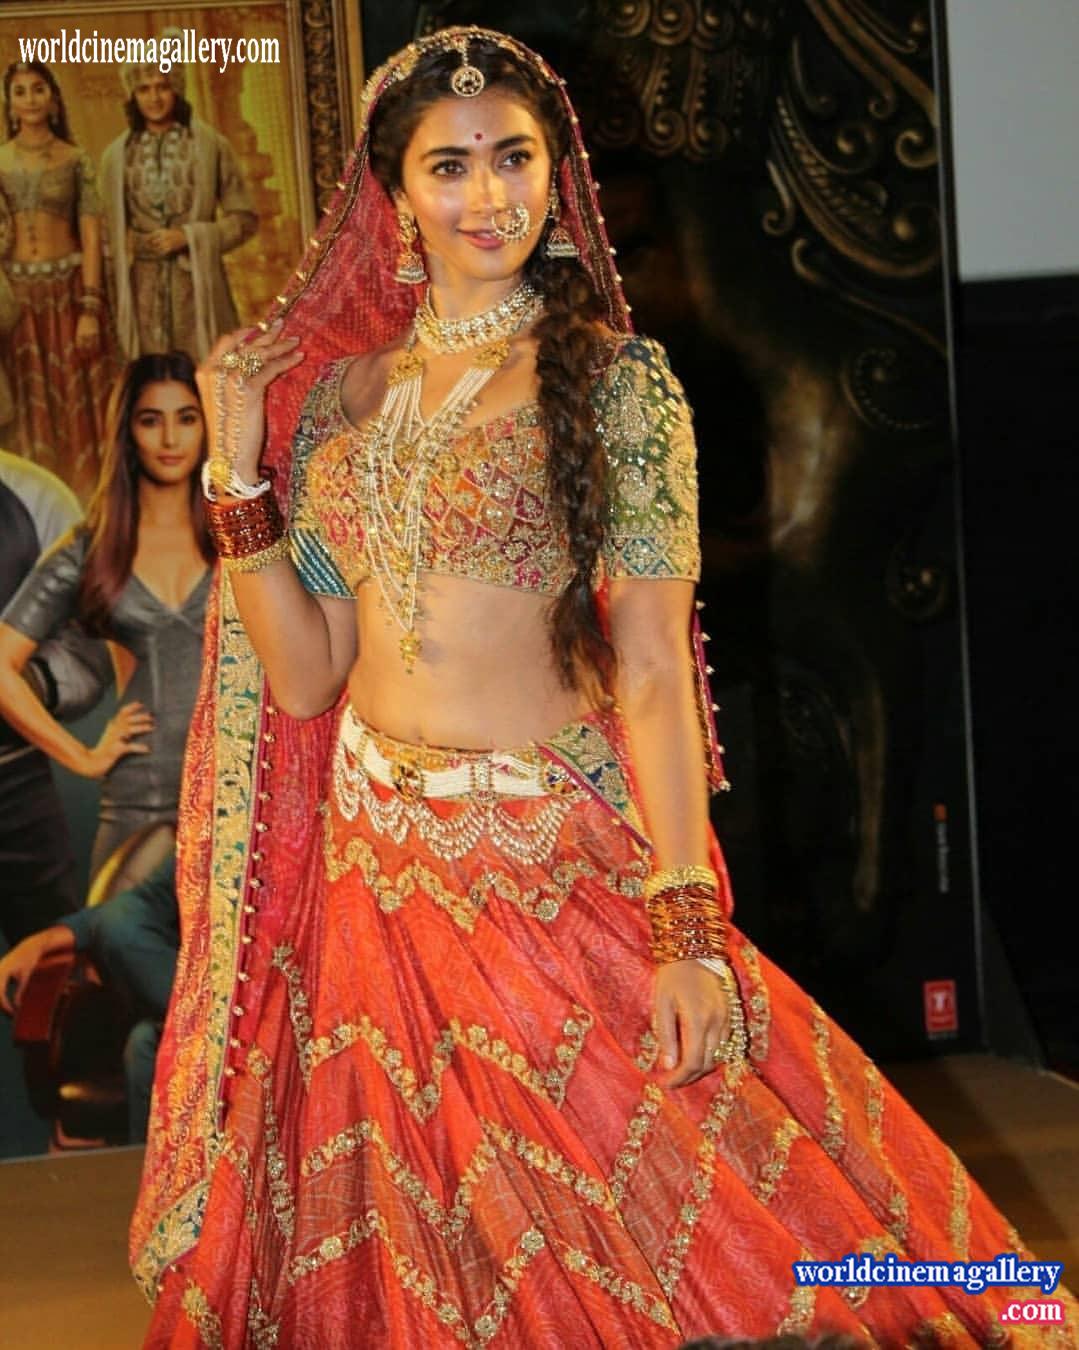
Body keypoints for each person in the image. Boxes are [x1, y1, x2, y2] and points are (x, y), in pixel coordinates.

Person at [132, 28, 1078, 1348]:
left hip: (541, 872)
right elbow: (303, 677)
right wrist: (236, 477)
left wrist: (685, 926)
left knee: (697, 1219)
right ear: (392, 195)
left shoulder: (616, 387)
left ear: (555, 171)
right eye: (449, 165)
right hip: (372, 893)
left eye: (514, 157)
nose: (488, 193)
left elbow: (649, 670)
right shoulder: (342, 402)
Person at [0, 352, 213, 880]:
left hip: (241, 787)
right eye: (151, 420)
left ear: (208, 425)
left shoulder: (238, 532)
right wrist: (84, 757)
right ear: (128, 433)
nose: (170, 439)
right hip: (139, 794)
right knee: (121, 933)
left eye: (187, 418)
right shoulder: (91, 549)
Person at [0, 449, 111, 946]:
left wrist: (29, 684)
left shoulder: (35, 497)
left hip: (14, 779)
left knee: (52, 960)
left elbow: (89, 646)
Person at [0, 852, 179, 1144]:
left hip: (256, 1014)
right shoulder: (210, 836)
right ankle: (156, 1173)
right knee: (144, 1045)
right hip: (199, 1010)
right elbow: (137, 905)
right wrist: (41, 942)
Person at [0, 61, 116, 502]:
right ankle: (34, 508)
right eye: (20, 91)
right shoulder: (0, 160)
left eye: (38, 89)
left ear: (52, 99)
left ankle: (88, 505)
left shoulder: (75, 159)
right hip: (16, 301)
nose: (29, 99)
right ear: (9, 104)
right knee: (27, 405)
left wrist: (90, 306)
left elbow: (91, 235)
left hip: (67, 296)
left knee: (75, 405)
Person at [100, 47, 257, 363]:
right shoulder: (115, 156)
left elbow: (244, 220)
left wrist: (189, 236)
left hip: (198, 288)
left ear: (177, 89)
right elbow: (105, 233)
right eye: (144, 89)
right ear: (132, 95)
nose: (154, 98)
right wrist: (130, 245)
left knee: (206, 372)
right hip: (141, 291)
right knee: (150, 376)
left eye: (162, 86)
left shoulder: (211, 145)